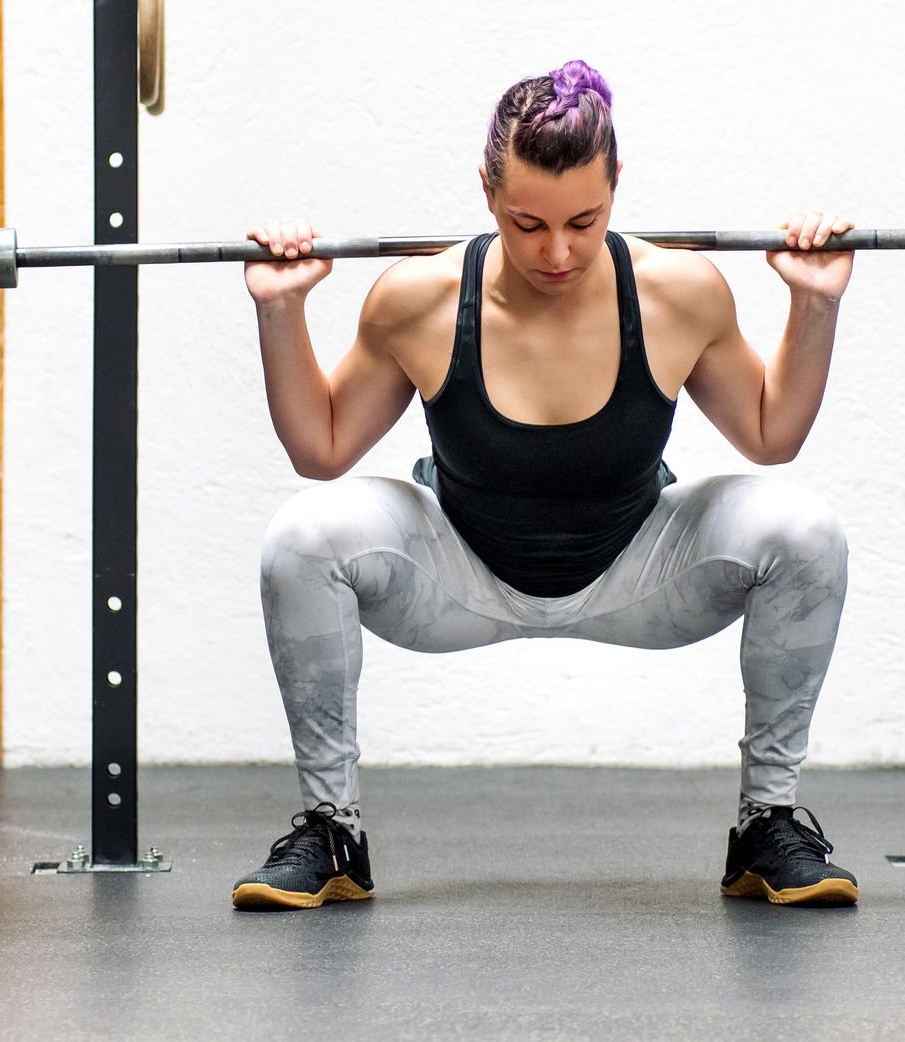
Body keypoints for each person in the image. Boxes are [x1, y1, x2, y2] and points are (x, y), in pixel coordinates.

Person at [233, 60, 855, 912]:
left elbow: (771, 432)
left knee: (806, 530)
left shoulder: (678, 293)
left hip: (637, 572)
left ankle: (767, 826)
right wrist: (281, 311)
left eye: (583, 222)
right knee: (302, 536)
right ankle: (331, 832)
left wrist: (815, 306)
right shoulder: (418, 299)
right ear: (487, 191)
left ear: (616, 185)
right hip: (459, 576)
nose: (556, 252)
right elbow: (321, 446)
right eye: (527, 224)